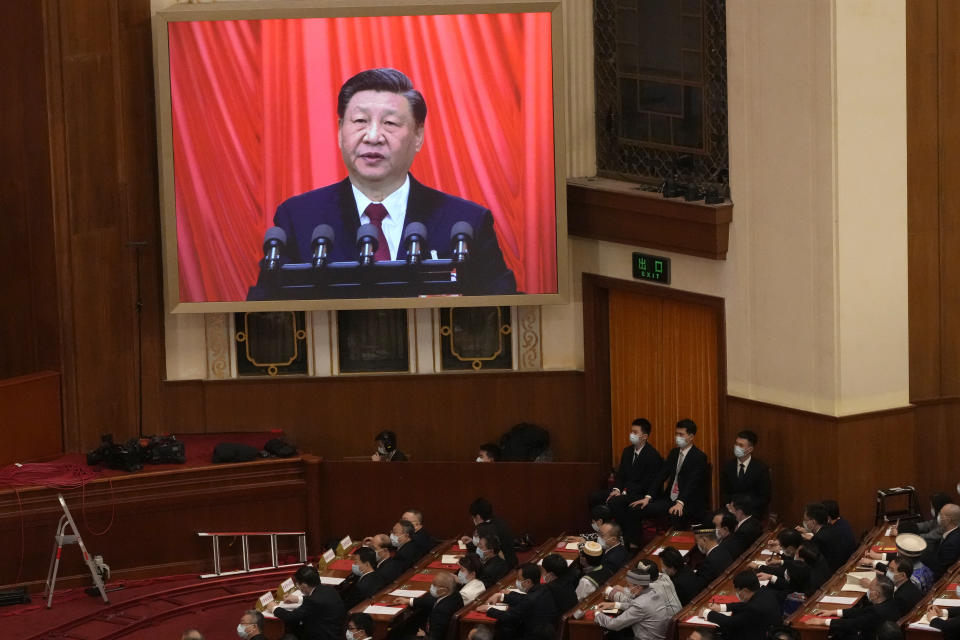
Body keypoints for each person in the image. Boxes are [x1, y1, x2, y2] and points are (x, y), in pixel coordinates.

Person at [251, 67, 516, 299]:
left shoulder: (466, 222)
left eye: (390, 123)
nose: (373, 136)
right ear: (341, 131)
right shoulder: (299, 218)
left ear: (418, 136)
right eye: (360, 121)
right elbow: (266, 315)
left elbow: (504, 309)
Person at [628, 419, 709, 529]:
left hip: (688, 501)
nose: (677, 437)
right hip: (669, 499)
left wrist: (681, 502)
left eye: (681, 434)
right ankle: (635, 543)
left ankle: (674, 544)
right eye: (676, 434)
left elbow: (692, 483)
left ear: (691, 437)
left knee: (675, 513)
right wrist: (648, 497)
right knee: (637, 507)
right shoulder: (674, 453)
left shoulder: (699, 457)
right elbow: (661, 476)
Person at [604, 418, 664, 544]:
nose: (632, 434)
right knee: (597, 497)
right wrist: (617, 489)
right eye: (631, 431)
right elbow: (621, 475)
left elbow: (648, 483)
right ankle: (623, 535)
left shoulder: (652, 455)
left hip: (641, 493)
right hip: (626, 491)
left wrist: (625, 492)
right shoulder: (627, 451)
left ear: (645, 436)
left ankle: (628, 537)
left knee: (615, 502)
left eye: (635, 432)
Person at [481, 563, 559, 640]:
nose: (517, 581)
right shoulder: (543, 589)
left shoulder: (530, 599)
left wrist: (488, 609)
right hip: (547, 632)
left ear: (528, 582)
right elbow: (524, 598)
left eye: (518, 579)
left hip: (532, 635)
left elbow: (509, 616)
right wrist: (501, 596)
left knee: (503, 629)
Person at [268, 564, 346, 640]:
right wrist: (298, 599)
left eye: (298, 584)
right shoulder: (328, 588)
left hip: (323, 635)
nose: (297, 586)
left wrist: (274, 608)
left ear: (304, 585)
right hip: (335, 631)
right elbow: (318, 599)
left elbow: (290, 617)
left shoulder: (313, 601)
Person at [594, 564, 671, 640]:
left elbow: (614, 624)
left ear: (638, 587)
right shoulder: (655, 592)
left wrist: (597, 614)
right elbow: (635, 604)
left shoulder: (640, 604)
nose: (628, 589)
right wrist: (614, 605)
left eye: (629, 586)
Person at [702, 570, 781, 640]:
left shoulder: (755, 608)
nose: (737, 594)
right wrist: (721, 607)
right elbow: (745, 605)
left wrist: (707, 613)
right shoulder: (765, 592)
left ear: (745, 590)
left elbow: (731, 622)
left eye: (737, 591)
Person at [812, 575, 899, 638]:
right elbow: (861, 611)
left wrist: (824, 622)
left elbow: (854, 624)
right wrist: (833, 612)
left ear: (876, 595)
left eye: (870, 588)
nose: (868, 590)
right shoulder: (889, 601)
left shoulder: (877, 612)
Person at [719, 430, 771, 516]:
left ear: (750, 449)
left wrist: (743, 508)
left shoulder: (761, 468)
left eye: (741, 445)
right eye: (736, 444)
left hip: (752, 512)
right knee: (712, 520)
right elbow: (725, 493)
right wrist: (729, 506)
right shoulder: (728, 466)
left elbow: (764, 498)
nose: (736, 447)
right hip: (730, 511)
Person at [402, 571, 464, 640]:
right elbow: (433, 601)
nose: (432, 587)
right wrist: (409, 601)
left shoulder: (441, 610)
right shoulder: (455, 594)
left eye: (434, 586)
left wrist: (423, 635)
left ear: (443, 590)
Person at [797, 502, 853, 571]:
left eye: (805, 520)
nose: (804, 522)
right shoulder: (829, 528)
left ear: (813, 522)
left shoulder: (819, 539)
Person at [468, 497, 517, 568]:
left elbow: (483, 555)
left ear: (478, 517)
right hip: (511, 560)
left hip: (502, 567)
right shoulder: (498, 520)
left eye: (473, 517)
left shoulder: (484, 529)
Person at [692, 527, 733, 592]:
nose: (697, 544)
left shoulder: (709, 562)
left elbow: (699, 585)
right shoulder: (724, 550)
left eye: (697, 541)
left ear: (704, 540)